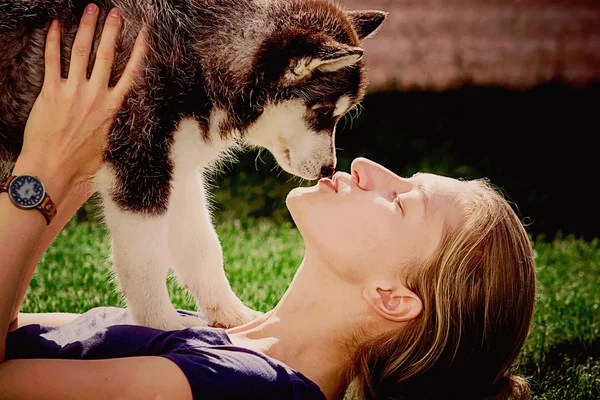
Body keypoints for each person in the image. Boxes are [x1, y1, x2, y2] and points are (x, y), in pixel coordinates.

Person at [0, 5, 537, 400]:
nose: (361, 165)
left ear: (391, 297)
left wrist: (40, 177)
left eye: (400, 202)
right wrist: (91, 142)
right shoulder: (227, 342)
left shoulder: (237, 386)